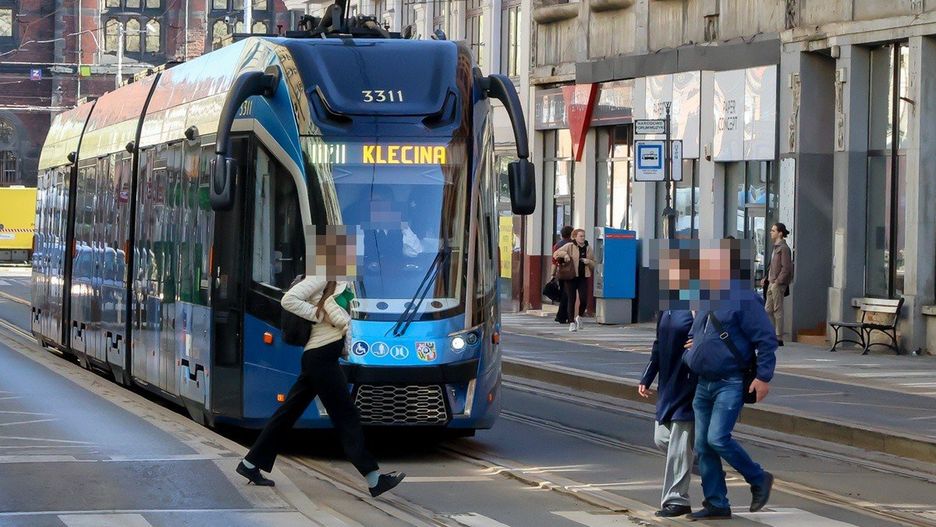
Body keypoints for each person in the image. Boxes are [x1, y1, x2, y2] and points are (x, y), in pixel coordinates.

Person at [236, 230, 405, 498]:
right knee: (345, 415)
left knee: (288, 413)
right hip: (320, 357)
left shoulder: (340, 282)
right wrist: (318, 313)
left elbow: (343, 322)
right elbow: (289, 299)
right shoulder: (320, 277)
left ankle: (249, 464)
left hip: (323, 357)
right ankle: (374, 479)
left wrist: (347, 349)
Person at [683, 245, 777, 521]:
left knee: (717, 438)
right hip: (703, 382)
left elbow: (766, 340)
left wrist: (763, 377)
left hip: (730, 381)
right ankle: (716, 503)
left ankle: (758, 478)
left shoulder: (744, 299)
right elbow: (695, 332)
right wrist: (690, 354)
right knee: (703, 445)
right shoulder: (707, 298)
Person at [639, 309, 696, 518]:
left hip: (688, 382)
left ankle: (677, 499)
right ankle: (706, 464)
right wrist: (647, 377)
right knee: (662, 438)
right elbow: (658, 345)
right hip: (668, 384)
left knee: (679, 447)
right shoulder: (665, 310)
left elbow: (708, 336)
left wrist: (699, 344)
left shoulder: (698, 307)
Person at [553, 228, 594, 332]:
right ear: (575, 237)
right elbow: (556, 253)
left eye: (584, 236)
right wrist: (565, 255)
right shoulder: (569, 246)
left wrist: (588, 261)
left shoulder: (588, 248)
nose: (582, 238)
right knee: (571, 299)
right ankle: (571, 322)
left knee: (584, 299)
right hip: (570, 276)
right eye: (580, 236)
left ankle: (579, 317)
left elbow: (594, 264)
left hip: (583, 276)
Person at [761, 223, 793, 346]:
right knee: (768, 309)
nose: (771, 232)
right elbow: (772, 266)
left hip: (777, 284)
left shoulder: (784, 249)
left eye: (773, 230)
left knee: (777, 309)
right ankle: (771, 333)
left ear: (780, 233)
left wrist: (778, 282)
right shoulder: (775, 248)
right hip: (771, 282)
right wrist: (766, 278)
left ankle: (778, 337)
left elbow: (786, 268)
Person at [551, 226, 574, 324]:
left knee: (565, 294)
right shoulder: (573, 245)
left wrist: (552, 275)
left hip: (561, 272)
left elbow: (554, 261)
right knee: (568, 295)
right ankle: (563, 316)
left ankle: (562, 315)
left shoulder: (557, 245)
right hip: (571, 272)